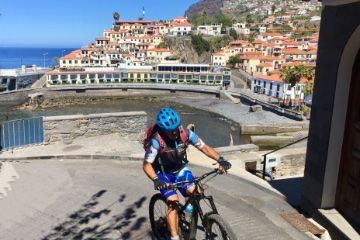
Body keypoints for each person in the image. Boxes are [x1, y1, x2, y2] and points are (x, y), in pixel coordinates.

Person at [143, 107, 231, 240]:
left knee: (195, 192)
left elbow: (205, 148)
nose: (174, 132)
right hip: (163, 173)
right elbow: (146, 165)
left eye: (175, 128)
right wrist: (156, 179)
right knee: (173, 203)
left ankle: (188, 217)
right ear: (163, 130)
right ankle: (174, 237)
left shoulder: (186, 134)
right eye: (170, 130)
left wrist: (221, 159)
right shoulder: (156, 141)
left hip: (180, 169)